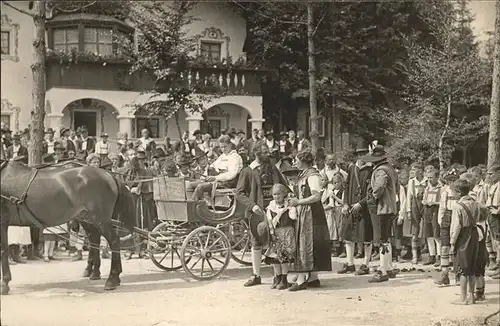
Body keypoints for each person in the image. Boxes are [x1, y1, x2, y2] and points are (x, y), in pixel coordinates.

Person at [236, 143, 288, 287]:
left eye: (267, 151)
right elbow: (239, 193)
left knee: (276, 241)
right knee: (256, 242)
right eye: (265, 152)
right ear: (257, 153)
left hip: (276, 210)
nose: (268, 154)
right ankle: (256, 274)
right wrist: (252, 206)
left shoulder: (273, 169)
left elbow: (285, 187)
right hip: (257, 212)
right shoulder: (248, 170)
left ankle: (278, 276)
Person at [287, 149, 332, 291]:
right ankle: (313, 277)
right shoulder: (304, 174)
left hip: (311, 213)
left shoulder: (312, 176)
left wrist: (299, 202)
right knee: (309, 243)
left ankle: (301, 280)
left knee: (305, 243)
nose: (295, 162)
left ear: (304, 161)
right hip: (306, 212)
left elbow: (316, 196)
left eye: (297, 160)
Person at [360, 145, 398, 283]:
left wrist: (373, 197)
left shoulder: (381, 170)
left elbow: (380, 186)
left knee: (382, 239)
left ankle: (382, 270)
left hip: (382, 207)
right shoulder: (390, 168)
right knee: (386, 238)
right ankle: (388, 267)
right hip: (390, 205)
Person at [339, 147, 373, 275]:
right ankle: (350, 263)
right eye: (359, 154)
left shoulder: (371, 169)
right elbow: (347, 186)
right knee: (349, 235)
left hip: (365, 207)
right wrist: (346, 203)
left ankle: (365, 264)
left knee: (366, 237)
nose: (361, 156)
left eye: (364, 154)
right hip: (351, 207)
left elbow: (372, 192)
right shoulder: (352, 168)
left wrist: (361, 203)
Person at [450, 179, 480, 305]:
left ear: (458, 192)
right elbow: (477, 218)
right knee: (472, 268)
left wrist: (452, 242)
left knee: (463, 268)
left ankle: (463, 298)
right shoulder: (476, 203)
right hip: (474, 233)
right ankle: (472, 296)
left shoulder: (458, 206)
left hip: (463, 236)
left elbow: (456, 226)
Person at [262, 184, 297, 290]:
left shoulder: (288, 205)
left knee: (284, 257)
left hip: (287, 233)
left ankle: (284, 278)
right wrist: (271, 232)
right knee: (275, 257)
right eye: (274, 194)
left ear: (284, 194)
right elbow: (269, 221)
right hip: (276, 233)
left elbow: (293, 217)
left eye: (279, 194)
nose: (276, 196)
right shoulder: (271, 206)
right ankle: (277, 276)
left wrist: (291, 208)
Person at [192, 135, 243, 201]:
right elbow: (212, 166)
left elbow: (232, 174)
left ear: (230, 145)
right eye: (221, 147)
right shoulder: (222, 156)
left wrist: (215, 177)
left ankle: (192, 207)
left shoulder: (235, 157)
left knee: (200, 187)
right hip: (218, 181)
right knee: (191, 184)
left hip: (228, 184)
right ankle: (198, 204)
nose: (223, 149)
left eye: (225, 146)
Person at [435, 168, 460, 286]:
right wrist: (440, 220)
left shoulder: (461, 192)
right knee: (444, 247)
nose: (451, 183)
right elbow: (442, 207)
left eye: (453, 180)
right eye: (449, 180)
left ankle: (459, 273)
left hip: (458, 218)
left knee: (457, 247)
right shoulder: (445, 192)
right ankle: (445, 274)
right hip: (447, 217)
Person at [406, 162, 427, 264]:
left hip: (426, 205)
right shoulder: (411, 182)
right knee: (415, 231)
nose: (412, 172)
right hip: (415, 205)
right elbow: (409, 197)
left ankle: (431, 255)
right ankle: (415, 256)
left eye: (414, 170)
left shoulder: (427, 180)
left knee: (427, 229)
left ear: (420, 171)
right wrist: (409, 211)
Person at [421, 169, 442, 266]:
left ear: (437, 178)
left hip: (436, 211)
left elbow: (442, 202)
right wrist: (424, 202)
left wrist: (434, 202)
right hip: (427, 211)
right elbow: (424, 199)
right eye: (428, 178)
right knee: (429, 235)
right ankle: (431, 256)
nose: (429, 180)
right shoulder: (427, 188)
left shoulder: (441, 188)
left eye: (431, 178)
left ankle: (439, 256)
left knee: (436, 234)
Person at [323, 173, 344, 257]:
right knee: (335, 230)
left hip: (340, 210)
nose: (335, 184)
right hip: (334, 211)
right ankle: (336, 250)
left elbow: (343, 201)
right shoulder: (332, 191)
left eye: (337, 182)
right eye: (334, 183)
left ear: (341, 182)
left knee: (341, 229)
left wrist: (334, 197)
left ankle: (342, 250)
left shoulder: (343, 190)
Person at [485, 164, 500, 278]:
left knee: (498, 242)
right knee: (495, 241)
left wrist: (498, 211)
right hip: (491, 213)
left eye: (491, 174)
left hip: (497, 214)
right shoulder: (493, 185)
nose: (489, 176)